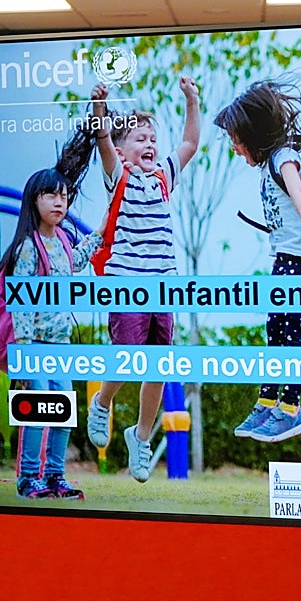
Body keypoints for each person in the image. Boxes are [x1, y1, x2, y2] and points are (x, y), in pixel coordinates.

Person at [84, 78, 201, 481]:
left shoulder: (164, 175)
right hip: (126, 282)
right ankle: (102, 402)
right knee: (128, 355)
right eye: (140, 138)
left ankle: (141, 435)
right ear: (122, 151)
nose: (150, 144)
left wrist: (191, 100)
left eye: (153, 139)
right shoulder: (120, 176)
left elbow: (190, 144)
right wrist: (99, 109)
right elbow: (102, 139)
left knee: (158, 365)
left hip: (163, 285)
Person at [214, 79, 301, 443]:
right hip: (285, 257)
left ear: (254, 134)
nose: (234, 148)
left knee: (293, 331)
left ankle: (291, 408)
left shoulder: (283, 157)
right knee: (275, 328)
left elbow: (297, 190)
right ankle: (267, 402)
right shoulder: (268, 163)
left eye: (237, 140)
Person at [0, 168, 101, 499]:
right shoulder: (28, 246)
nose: (60, 202)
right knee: (39, 409)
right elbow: (20, 304)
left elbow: (77, 262)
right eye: (51, 195)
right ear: (34, 199)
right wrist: (25, 355)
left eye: (64, 196)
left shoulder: (62, 242)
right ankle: (29, 477)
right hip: (35, 346)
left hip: (61, 346)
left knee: (63, 413)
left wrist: (101, 232)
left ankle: (55, 475)